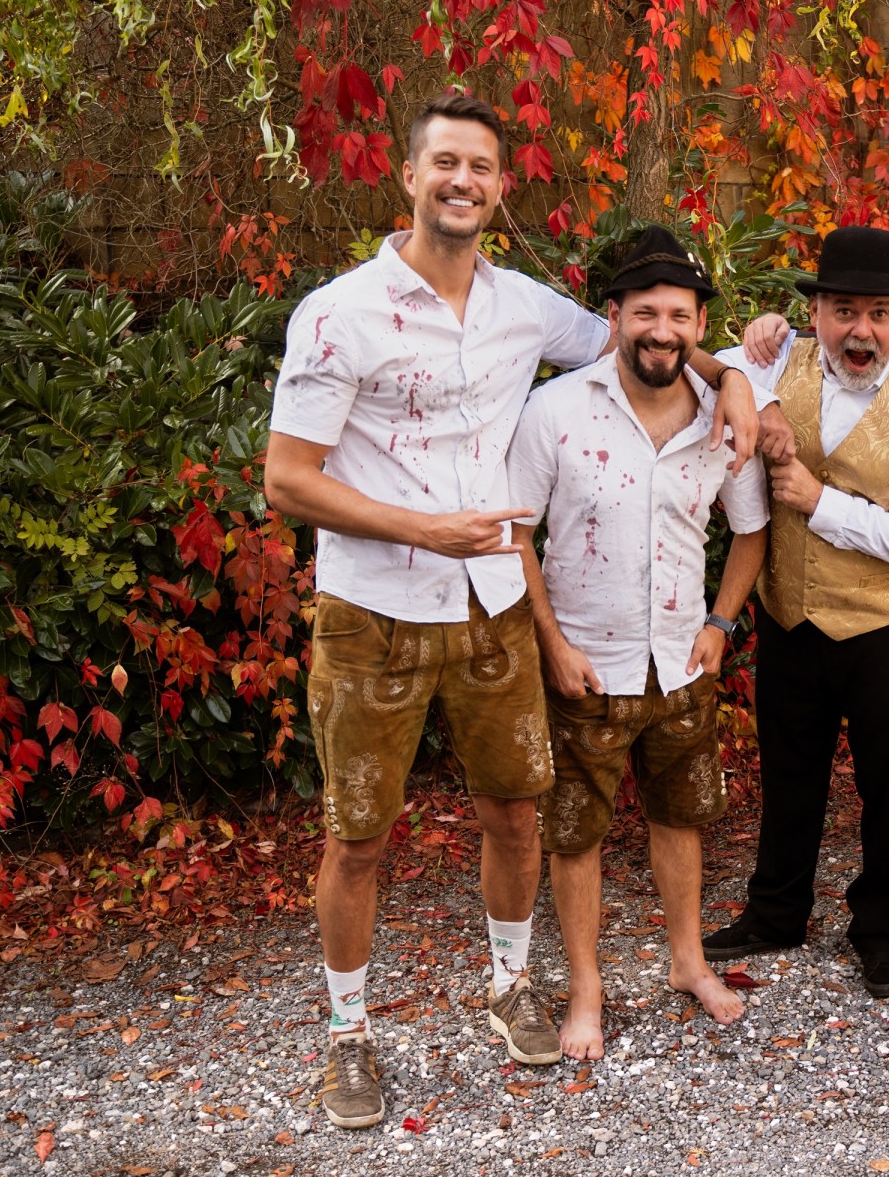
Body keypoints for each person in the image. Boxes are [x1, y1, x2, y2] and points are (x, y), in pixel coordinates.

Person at [265, 94, 757, 1130]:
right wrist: (424, 527)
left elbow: (644, 334)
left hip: (492, 607)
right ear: (409, 175)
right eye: (445, 162)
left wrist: (739, 384)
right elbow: (287, 479)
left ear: (499, 187)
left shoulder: (524, 307)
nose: (463, 181)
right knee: (360, 836)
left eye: (481, 166)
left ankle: (510, 983)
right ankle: (349, 1032)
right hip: (373, 610)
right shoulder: (339, 312)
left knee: (517, 813)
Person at [506, 226, 768, 1059]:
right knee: (575, 830)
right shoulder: (556, 410)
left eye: (680, 315)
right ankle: (586, 985)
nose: (663, 330)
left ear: (700, 326)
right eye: (646, 312)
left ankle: (688, 961)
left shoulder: (722, 421)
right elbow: (515, 533)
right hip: (586, 662)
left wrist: (721, 623)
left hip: (681, 660)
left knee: (681, 816)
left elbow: (752, 529)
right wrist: (551, 643)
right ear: (614, 314)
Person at [700, 226, 889, 998]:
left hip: (884, 628)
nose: (861, 331)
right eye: (844, 311)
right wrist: (759, 388)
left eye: (879, 314)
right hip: (791, 616)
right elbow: (711, 362)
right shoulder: (776, 358)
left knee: (888, 787)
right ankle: (777, 910)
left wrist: (819, 503)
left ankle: (879, 928)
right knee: (790, 774)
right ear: (814, 313)